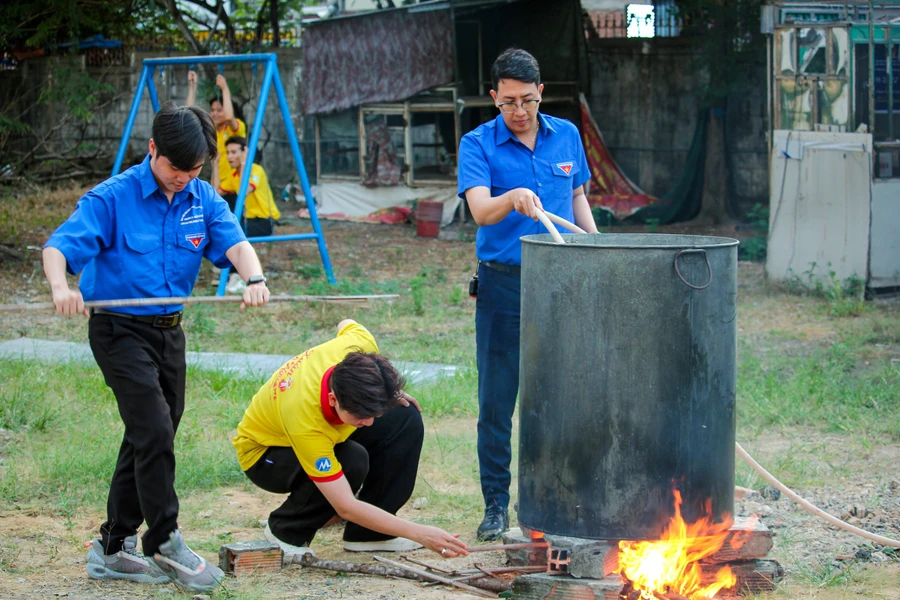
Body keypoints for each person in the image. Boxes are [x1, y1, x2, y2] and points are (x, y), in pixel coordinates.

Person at [42, 103, 271, 592]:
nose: (184, 178)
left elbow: (234, 242)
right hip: (118, 330)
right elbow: (59, 247)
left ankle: (111, 547)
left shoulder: (202, 196)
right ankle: (164, 540)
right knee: (153, 429)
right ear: (152, 150)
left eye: (194, 170)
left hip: (169, 332)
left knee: (150, 434)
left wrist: (254, 277)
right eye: (176, 168)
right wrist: (62, 287)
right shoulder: (113, 198)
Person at [457, 48, 599, 541]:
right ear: (494, 97)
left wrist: (596, 250)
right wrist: (510, 199)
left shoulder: (568, 135)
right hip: (503, 285)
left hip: (563, 283)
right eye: (508, 102)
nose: (519, 112)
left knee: (564, 394)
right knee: (498, 401)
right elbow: (480, 211)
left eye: (528, 101)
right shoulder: (477, 144)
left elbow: (578, 198)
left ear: (542, 92)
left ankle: (563, 495)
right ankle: (496, 504)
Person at [232, 319, 469, 560]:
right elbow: (346, 505)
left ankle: (368, 535)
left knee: (403, 415)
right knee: (351, 460)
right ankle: (285, 531)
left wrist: (386, 391)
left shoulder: (359, 344)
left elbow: (345, 322)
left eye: (372, 415)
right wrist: (421, 534)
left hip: (322, 427)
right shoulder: (305, 418)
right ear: (333, 400)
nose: (369, 423)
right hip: (266, 456)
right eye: (361, 416)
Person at [213, 135, 281, 237]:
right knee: (220, 227)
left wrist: (244, 162)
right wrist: (215, 165)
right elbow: (215, 193)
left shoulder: (256, 170)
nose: (229, 156)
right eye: (228, 152)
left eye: (233, 152)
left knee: (231, 233)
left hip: (264, 220)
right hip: (248, 220)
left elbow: (244, 191)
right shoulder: (234, 175)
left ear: (244, 153)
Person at [187, 71, 247, 180]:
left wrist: (224, 88)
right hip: (218, 182)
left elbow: (229, 117)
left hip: (236, 182)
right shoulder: (211, 128)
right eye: (213, 110)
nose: (215, 114)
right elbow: (189, 115)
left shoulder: (236, 128)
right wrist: (192, 87)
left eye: (219, 110)